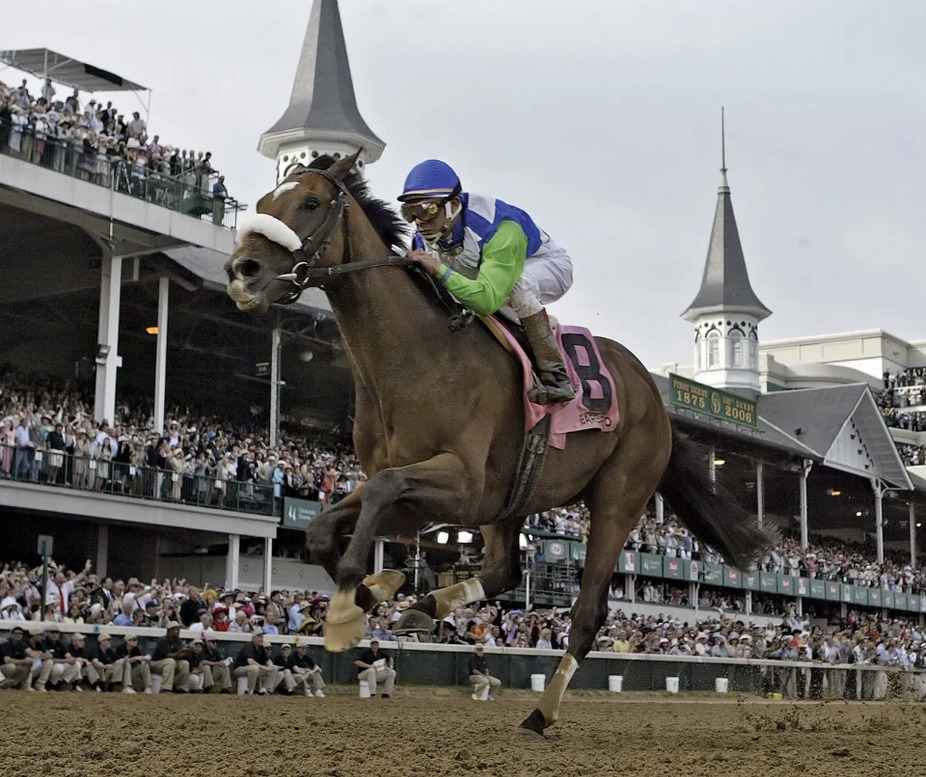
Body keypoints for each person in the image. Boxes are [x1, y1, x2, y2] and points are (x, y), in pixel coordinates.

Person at [399, 159, 575, 404]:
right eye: (409, 212)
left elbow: (486, 300)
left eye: (427, 210)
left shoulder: (501, 228)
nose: (419, 221)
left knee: (517, 286)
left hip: (547, 265)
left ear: (453, 205)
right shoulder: (422, 239)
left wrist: (439, 270)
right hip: (484, 269)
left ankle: (556, 375)